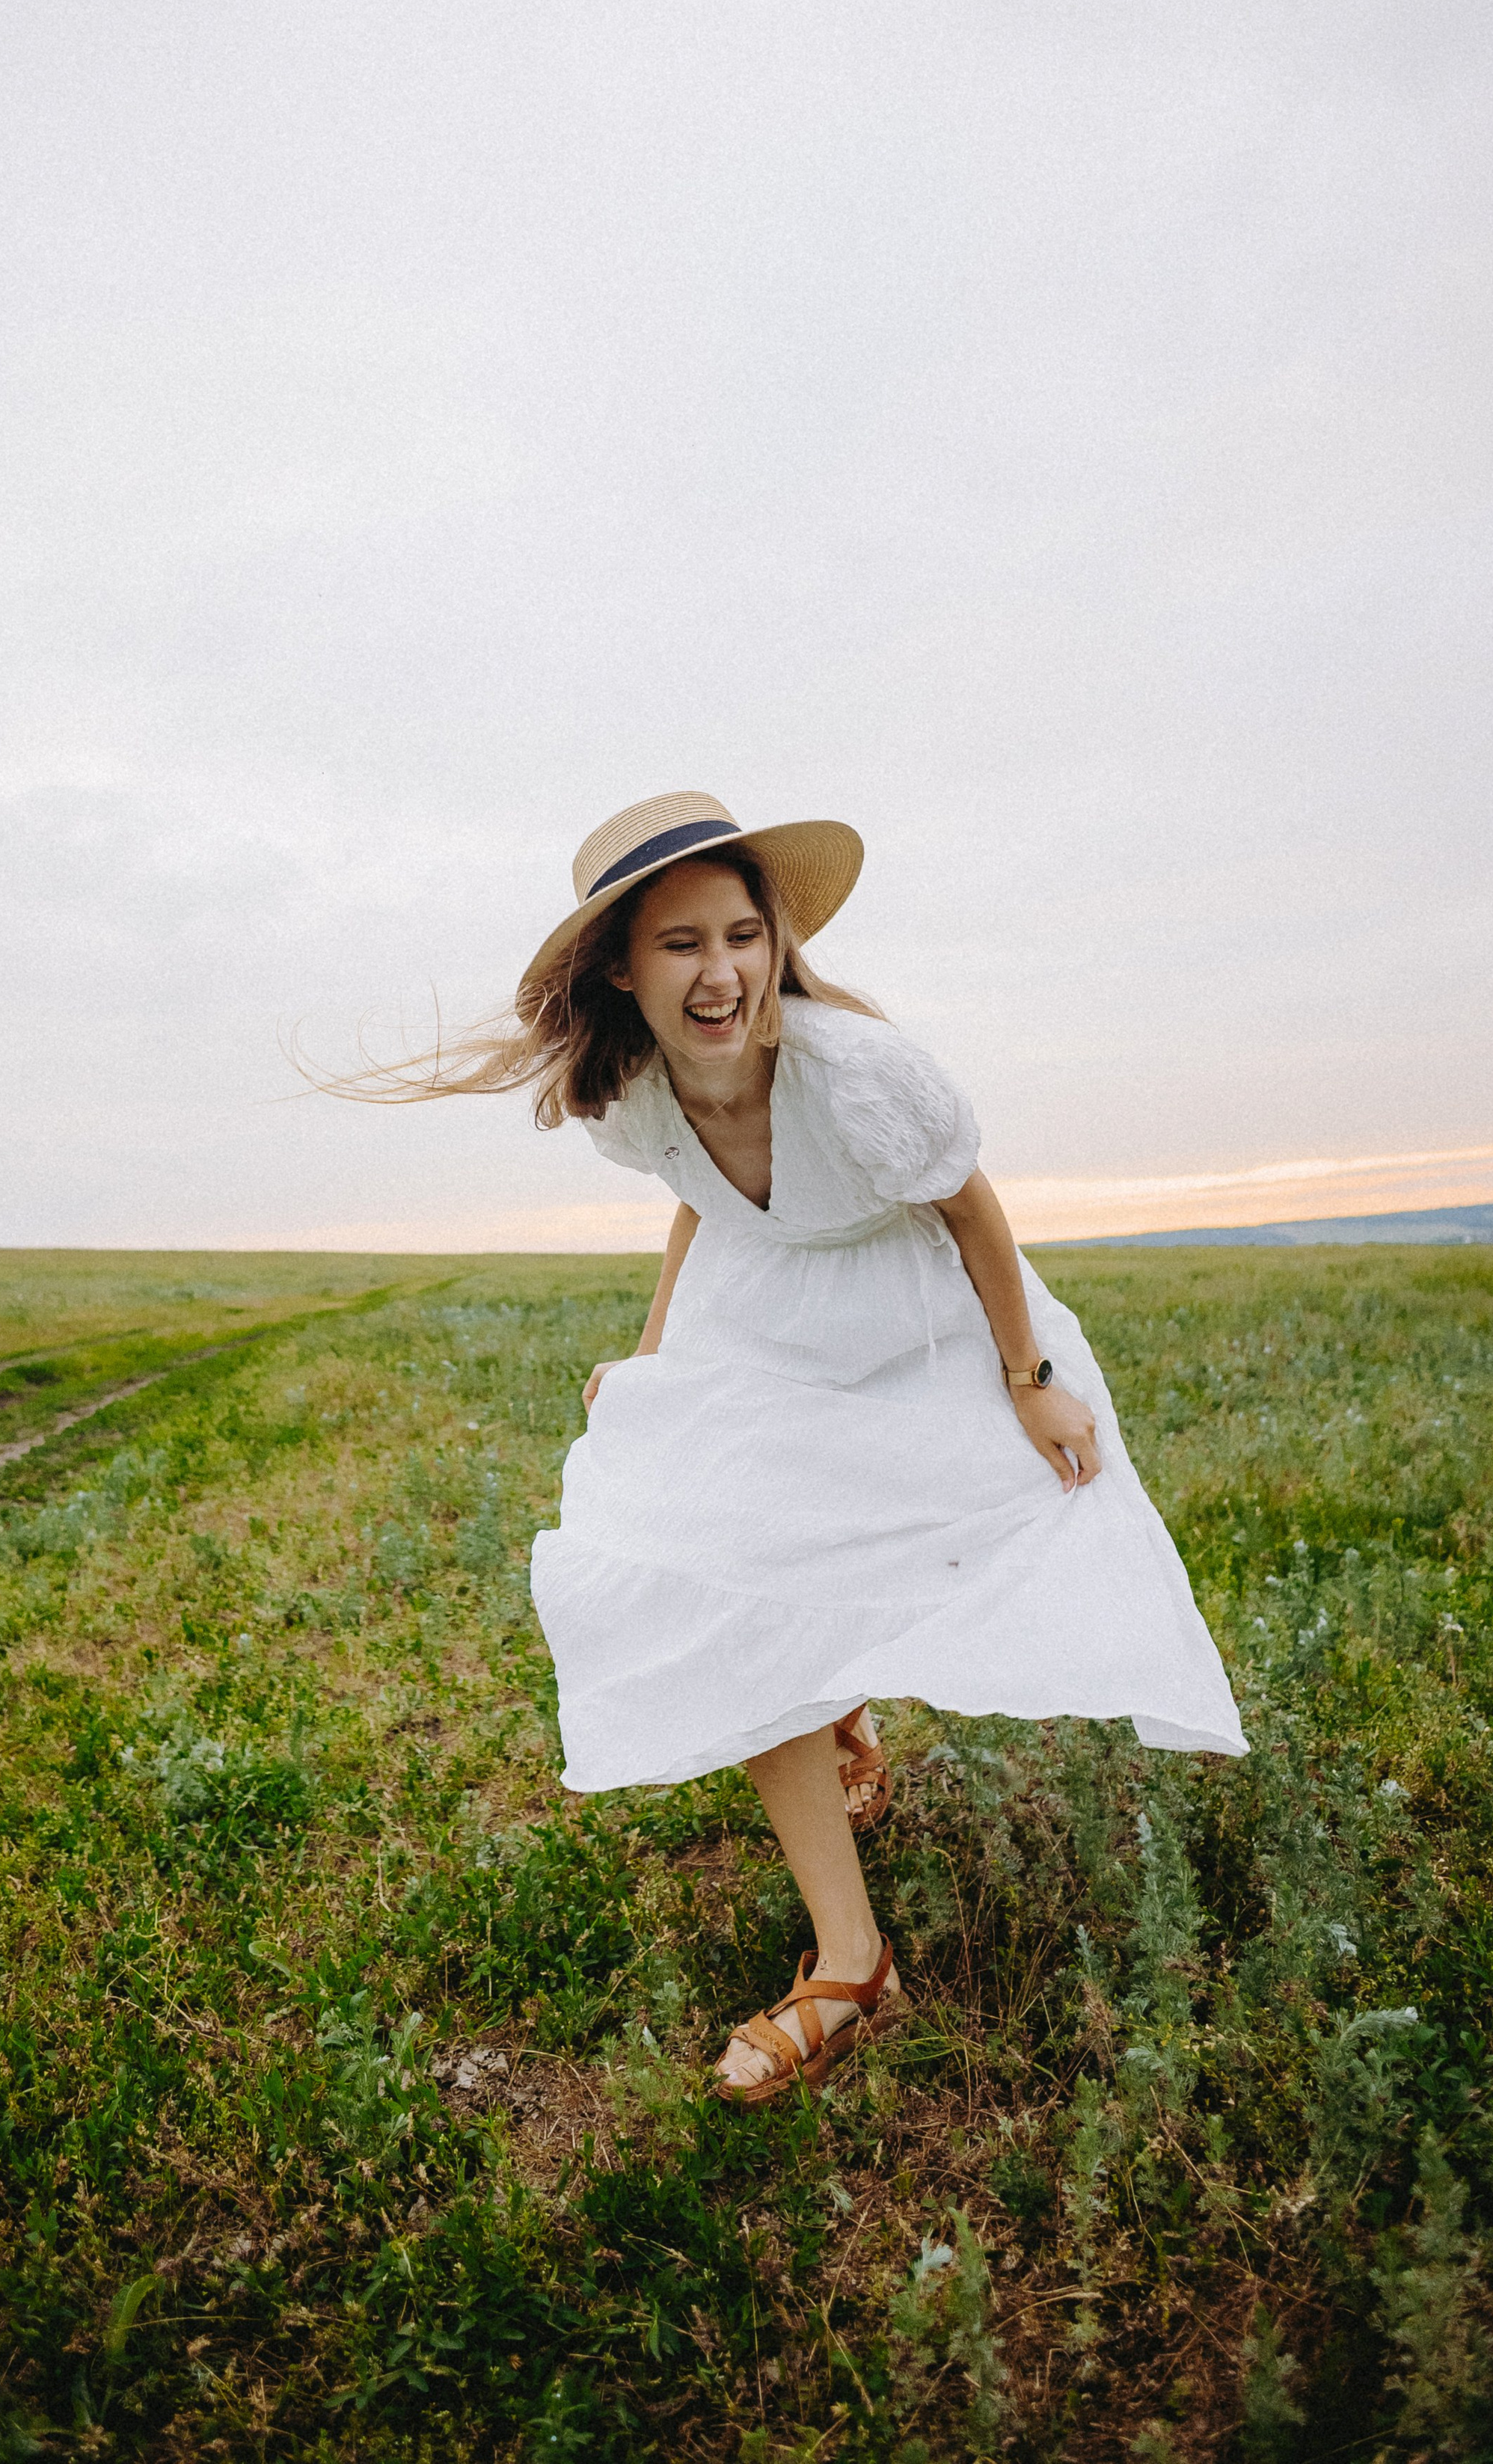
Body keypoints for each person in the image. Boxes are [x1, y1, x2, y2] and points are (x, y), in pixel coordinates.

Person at [328, 790, 1246, 2107]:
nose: (724, 974)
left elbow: (973, 1211)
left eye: (745, 935)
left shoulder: (862, 1073)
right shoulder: (628, 1097)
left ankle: (845, 1713)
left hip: (922, 1317)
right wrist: (653, 1363)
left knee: (974, 1541)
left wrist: (1028, 1377)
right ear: (620, 972)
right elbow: (703, 1210)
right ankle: (855, 1961)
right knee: (716, 1566)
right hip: (769, 1313)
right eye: (683, 944)